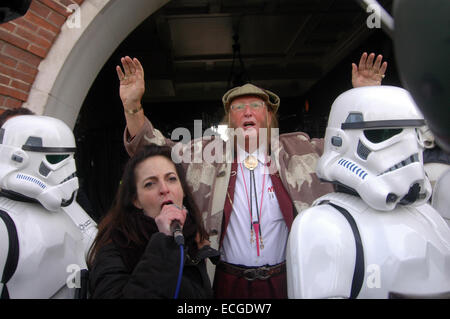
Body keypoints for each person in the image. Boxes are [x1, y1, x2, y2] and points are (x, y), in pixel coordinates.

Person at [117, 52, 387, 298]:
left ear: (270, 116)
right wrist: (133, 107)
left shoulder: (301, 148)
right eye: (237, 107)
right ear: (229, 119)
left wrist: (365, 99)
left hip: (289, 280)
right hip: (225, 282)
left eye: (256, 106)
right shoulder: (204, 155)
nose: (247, 111)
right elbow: (150, 150)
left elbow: (352, 148)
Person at [286, 85, 450, 298]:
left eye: (417, 134)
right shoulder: (325, 227)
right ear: (339, 140)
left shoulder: (430, 217)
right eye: (385, 134)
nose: (410, 149)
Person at [87, 144, 219, 299]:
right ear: (136, 200)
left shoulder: (193, 236)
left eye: (171, 179)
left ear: (182, 190)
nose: (164, 189)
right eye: (150, 184)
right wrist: (164, 242)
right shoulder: (116, 246)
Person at [0, 115, 96, 298]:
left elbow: (99, 250)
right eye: (56, 158)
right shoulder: (4, 225)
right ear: (18, 158)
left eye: (71, 158)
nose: (69, 170)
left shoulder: (67, 210)